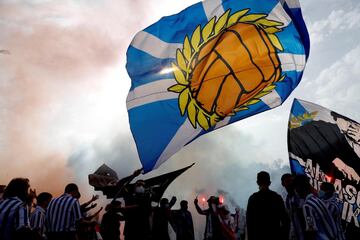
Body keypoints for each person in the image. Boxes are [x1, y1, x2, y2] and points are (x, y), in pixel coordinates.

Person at [293, 175, 339, 240]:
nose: (295, 191)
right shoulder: (318, 200)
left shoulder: (307, 206)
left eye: (295, 188)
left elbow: (311, 230)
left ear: (299, 188)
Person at [246, 171, 290, 240]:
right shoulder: (277, 197)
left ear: (257, 183)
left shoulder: (253, 199)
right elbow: (285, 220)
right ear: (269, 183)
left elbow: (249, 224)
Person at [281, 173, 305, 240]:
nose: (290, 183)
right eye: (288, 181)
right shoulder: (286, 199)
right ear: (283, 184)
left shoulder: (301, 196)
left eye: (292, 181)